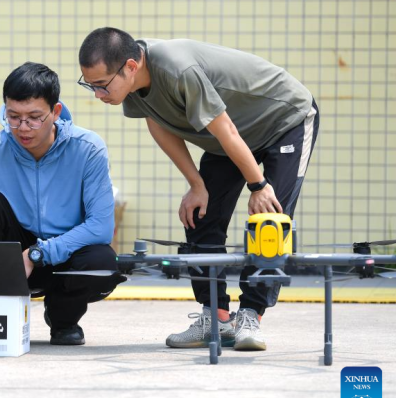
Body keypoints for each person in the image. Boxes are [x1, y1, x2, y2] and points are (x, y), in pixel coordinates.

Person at [78, 27, 319, 351]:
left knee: (270, 221)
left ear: (131, 67)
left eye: (101, 85)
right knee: (200, 214)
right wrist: (196, 184)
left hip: (283, 119)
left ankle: (251, 315)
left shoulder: (178, 69)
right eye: (89, 86)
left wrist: (259, 186)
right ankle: (217, 317)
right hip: (229, 139)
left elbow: (227, 129)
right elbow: (157, 123)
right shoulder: (134, 83)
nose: (98, 95)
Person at [0, 62, 124, 345]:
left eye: (34, 117)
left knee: (102, 261)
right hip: (7, 259)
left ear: (55, 112)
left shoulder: (88, 149)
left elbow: (100, 227)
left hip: (64, 255)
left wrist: (38, 253)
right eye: (13, 117)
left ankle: (63, 319)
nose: (23, 128)